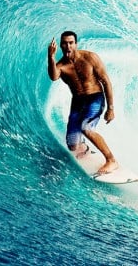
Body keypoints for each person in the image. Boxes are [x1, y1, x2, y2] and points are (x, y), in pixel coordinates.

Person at [47, 31, 119, 174]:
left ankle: (111, 160)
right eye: (65, 43)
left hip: (95, 98)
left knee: (86, 128)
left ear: (76, 44)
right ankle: (85, 148)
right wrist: (51, 56)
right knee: (73, 145)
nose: (68, 46)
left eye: (71, 43)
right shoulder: (61, 65)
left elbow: (106, 82)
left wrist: (110, 108)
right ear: (60, 46)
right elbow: (54, 76)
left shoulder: (90, 58)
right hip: (78, 102)